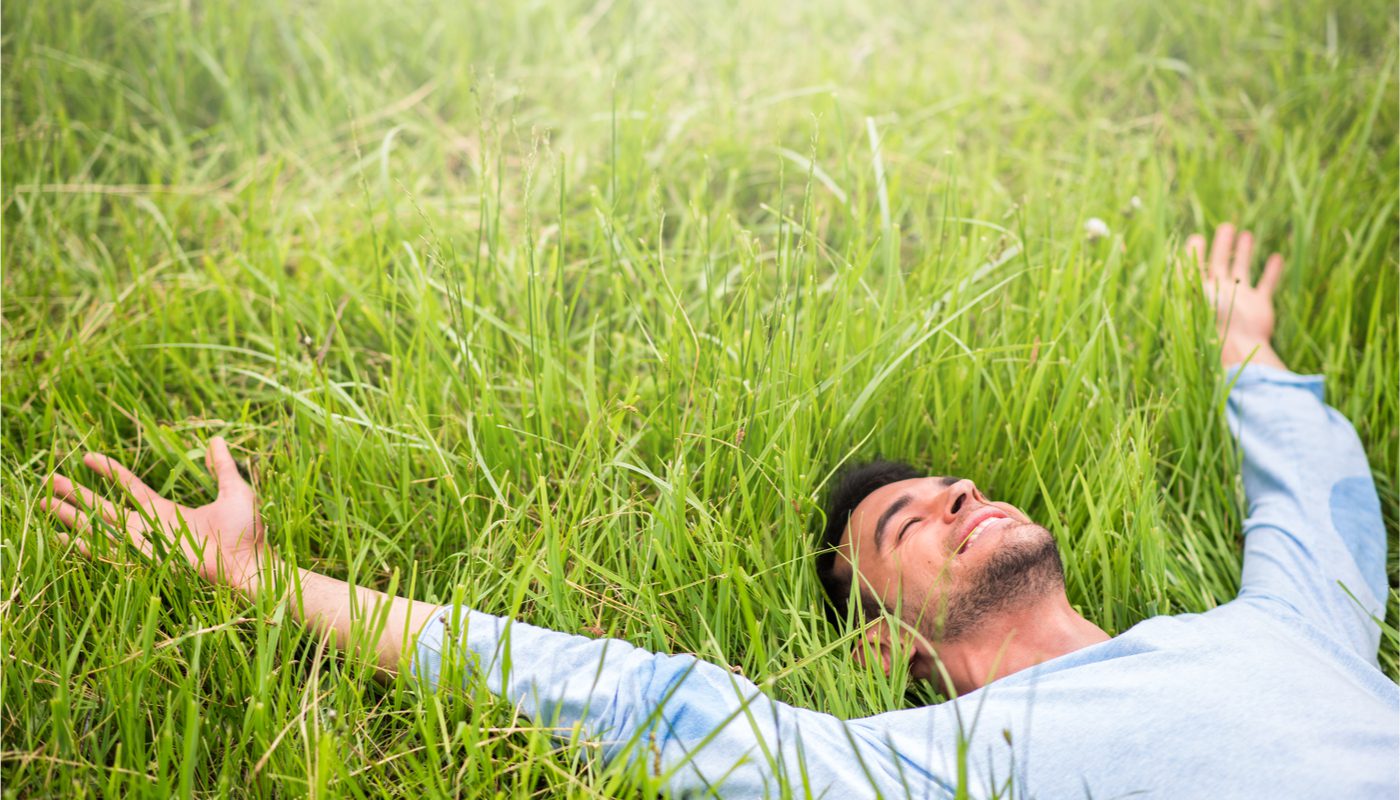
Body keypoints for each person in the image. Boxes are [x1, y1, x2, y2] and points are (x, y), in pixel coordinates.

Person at [43, 224, 1397, 798]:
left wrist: (1243, 345)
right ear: (888, 653)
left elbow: (1316, 504)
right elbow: (623, 695)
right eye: (908, 525)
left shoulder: (1287, 627)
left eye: (955, 488)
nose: (960, 496)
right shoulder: (938, 768)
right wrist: (270, 583)